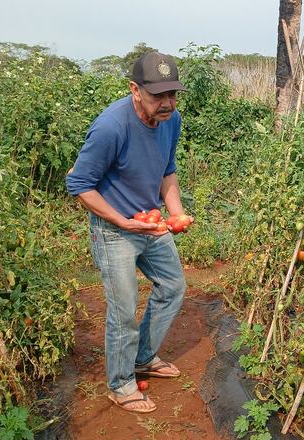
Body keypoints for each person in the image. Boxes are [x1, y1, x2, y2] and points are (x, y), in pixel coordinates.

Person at [66, 52, 193, 413]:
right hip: (114, 229)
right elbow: (78, 184)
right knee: (123, 308)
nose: (167, 103)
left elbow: (167, 169)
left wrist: (176, 212)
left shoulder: (171, 119)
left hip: (150, 222)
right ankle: (121, 384)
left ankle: (143, 358)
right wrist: (121, 221)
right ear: (135, 90)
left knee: (173, 287)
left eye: (173, 94)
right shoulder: (111, 126)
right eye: (158, 96)